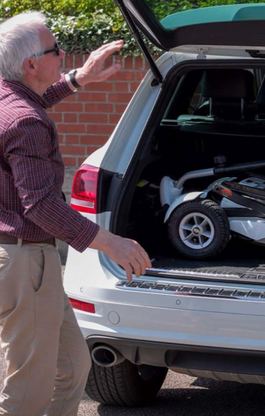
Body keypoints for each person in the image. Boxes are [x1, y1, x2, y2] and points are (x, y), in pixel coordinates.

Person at [0, 11, 152, 416]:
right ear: (32, 64)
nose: (62, 53)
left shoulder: (7, 99)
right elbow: (42, 205)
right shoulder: (26, 122)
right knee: (28, 390)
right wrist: (110, 244)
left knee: (71, 368)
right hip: (24, 262)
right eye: (55, 50)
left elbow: (29, 102)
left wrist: (79, 78)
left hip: (27, 259)